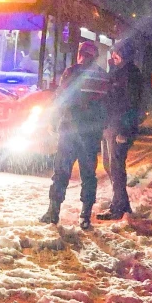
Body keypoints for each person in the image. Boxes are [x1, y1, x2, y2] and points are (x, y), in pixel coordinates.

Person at [40, 41, 109, 230]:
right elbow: (107, 106)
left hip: (69, 132)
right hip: (90, 135)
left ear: (80, 54)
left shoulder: (71, 72)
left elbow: (61, 99)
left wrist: (53, 121)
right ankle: (85, 216)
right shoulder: (103, 76)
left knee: (61, 173)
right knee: (88, 175)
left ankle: (53, 212)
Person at [98, 39, 145, 221]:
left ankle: (118, 208)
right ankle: (122, 204)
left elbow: (133, 104)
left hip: (119, 127)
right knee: (110, 166)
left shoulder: (131, 74)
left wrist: (125, 130)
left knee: (116, 168)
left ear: (124, 53)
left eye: (116, 53)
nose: (112, 56)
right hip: (110, 125)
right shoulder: (118, 72)